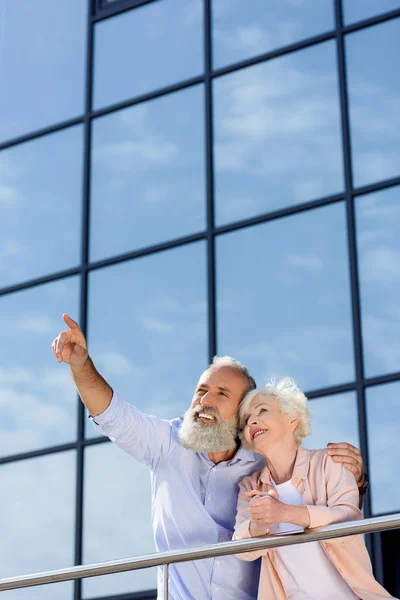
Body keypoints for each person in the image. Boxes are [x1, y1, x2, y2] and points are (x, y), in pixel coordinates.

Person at [52, 314, 366, 600]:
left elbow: (320, 511)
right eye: (202, 390)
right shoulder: (166, 443)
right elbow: (113, 414)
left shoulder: (263, 462)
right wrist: (81, 366)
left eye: (221, 394)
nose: (206, 400)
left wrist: (355, 481)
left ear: (243, 413)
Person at [234, 377, 395, 600]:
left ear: (293, 419)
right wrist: (258, 522)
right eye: (246, 419)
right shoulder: (250, 486)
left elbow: (349, 522)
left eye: (262, 411)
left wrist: (286, 513)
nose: (251, 421)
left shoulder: (331, 462)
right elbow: (242, 550)